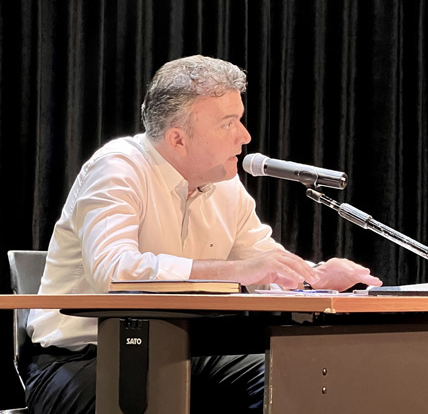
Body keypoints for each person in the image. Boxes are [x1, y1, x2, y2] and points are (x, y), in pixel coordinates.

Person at [24, 55, 382, 413]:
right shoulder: (117, 167)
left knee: (299, 379)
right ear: (178, 139)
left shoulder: (225, 184)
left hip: (180, 355)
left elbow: (263, 264)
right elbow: (114, 272)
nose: (245, 136)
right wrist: (238, 271)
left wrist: (313, 278)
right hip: (82, 360)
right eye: (229, 123)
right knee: (164, 399)